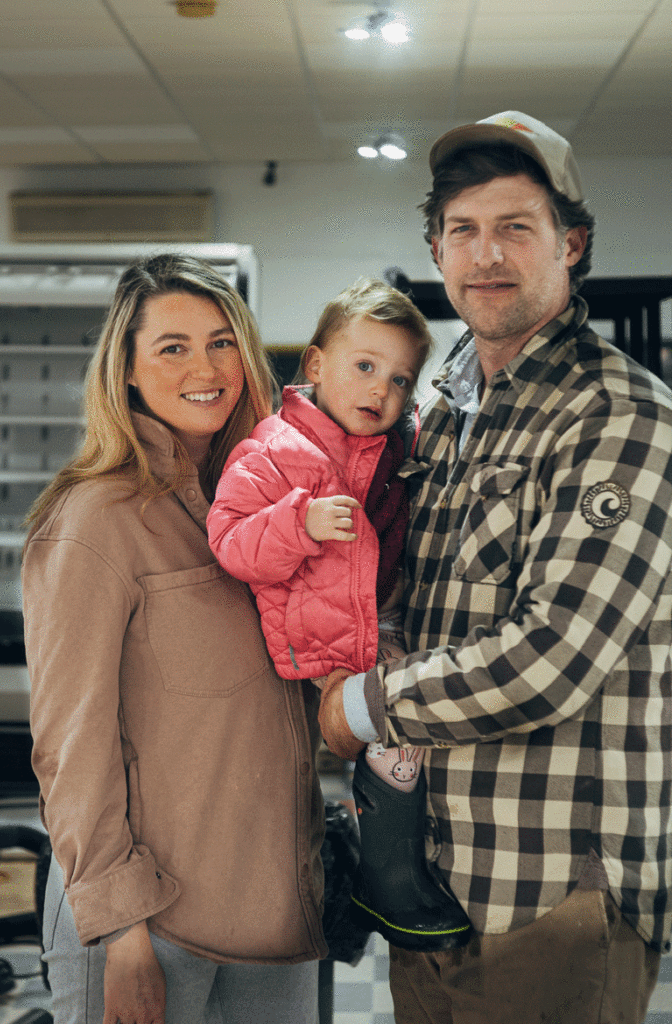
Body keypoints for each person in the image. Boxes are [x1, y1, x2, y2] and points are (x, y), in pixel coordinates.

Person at [318, 111, 672, 1023]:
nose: (487, 255)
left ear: (571, 244)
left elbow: (550, 658)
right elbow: (412, 597)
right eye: (464, 231)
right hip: (428, 881)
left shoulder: (620, 415)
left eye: (517, 227)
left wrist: (358, 705)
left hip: (549, 893)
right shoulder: (442, 406)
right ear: (434, 249)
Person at [22, 253, 327, 1024]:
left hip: (273, 918)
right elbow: (71, 741)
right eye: (173, 346)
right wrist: (122, 929)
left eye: (223, 342)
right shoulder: (97, 519)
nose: (206, 366)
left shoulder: (271, 514)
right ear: (125, 371)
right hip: (149, 921)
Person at [207, 278, 471, 951]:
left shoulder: (395, 446)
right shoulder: (269, 451)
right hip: (319, 643)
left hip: (379, 624)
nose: (379, 390)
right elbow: (232, 543)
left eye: (398, 378)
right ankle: (386, 879)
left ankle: (393, 862)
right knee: (392, 735)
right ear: (316, 365)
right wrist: (299, 522)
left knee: (421, 728)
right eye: (364, 367)